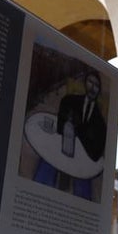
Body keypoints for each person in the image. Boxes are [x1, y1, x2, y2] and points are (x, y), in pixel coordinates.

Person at [33, 70, 106, 200]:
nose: (93, 87)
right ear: (85, 83)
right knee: (45, 167)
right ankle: (36, 196)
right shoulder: (70, 101)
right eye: (90, 82)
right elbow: (61, 126)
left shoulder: (100, 123)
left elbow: (96, 153)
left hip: (82, 159)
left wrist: (79, 131)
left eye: (96, 85)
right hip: (62, 148)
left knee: (83, 190)